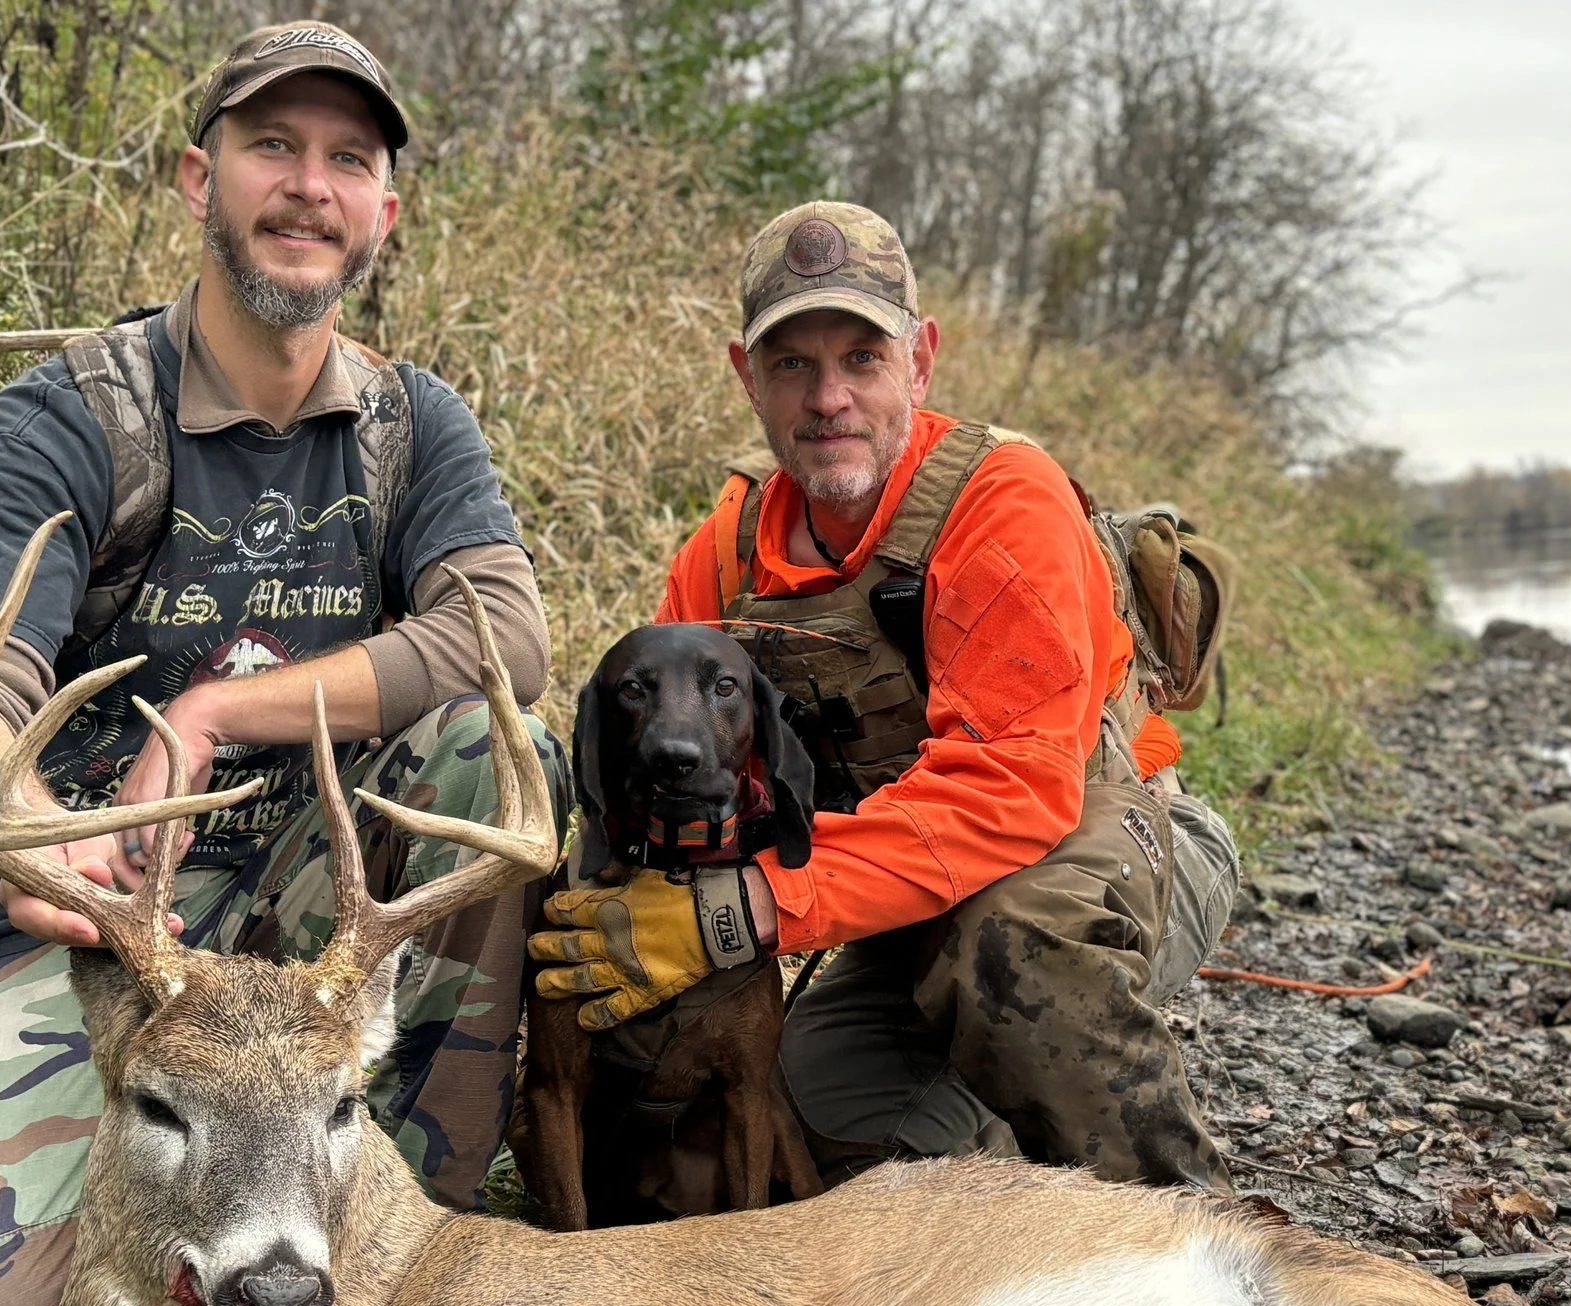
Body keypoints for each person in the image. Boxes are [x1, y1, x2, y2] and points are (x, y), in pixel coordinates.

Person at [0, 21, 564, 1306]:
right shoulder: (69, 421)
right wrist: (26, 819)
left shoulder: (410, 424)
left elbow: (505, 630)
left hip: (302, 919)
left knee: (493, 745)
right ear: (200, 179)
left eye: (345, 159)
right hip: (86, 933)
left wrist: (206, 716)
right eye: (272, 148)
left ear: (382, 213)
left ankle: (403, 1211)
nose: (308, 186)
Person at [530, 202, 1240, 1191]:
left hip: (1096, 859)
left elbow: (1009, 798)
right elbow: (674, 786)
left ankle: (1199, 1236)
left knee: (1009, 949)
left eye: (862, 358)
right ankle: (1002, 1172)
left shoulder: (1004, 505)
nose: (829, 397)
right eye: (793, 365)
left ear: (920, 361)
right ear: (747, 378)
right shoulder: (724, 556)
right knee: (776, 1147)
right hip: (902, 917)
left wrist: (740, 913)